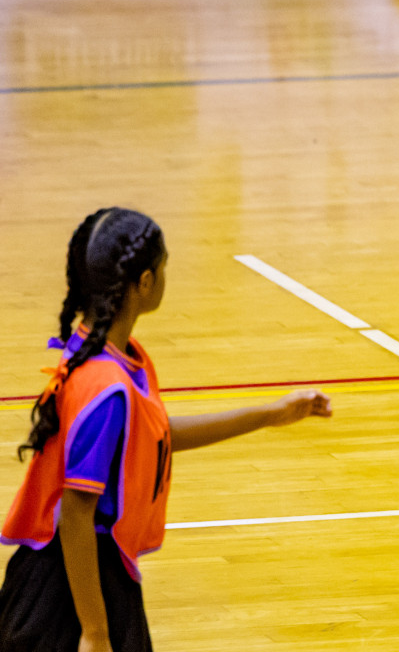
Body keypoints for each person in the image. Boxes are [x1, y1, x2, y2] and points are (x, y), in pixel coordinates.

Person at [1, 208, 333, 652]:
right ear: (143, 282)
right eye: (164, 268)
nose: (165, 277)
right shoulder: (107, 389)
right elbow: (77, 515)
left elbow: (152, 440)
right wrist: (96, 633)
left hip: (80, 579)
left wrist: (271, 414)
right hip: (73, 590)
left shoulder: (103, 352)